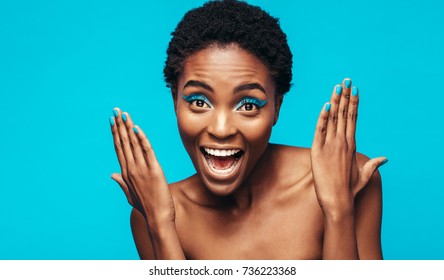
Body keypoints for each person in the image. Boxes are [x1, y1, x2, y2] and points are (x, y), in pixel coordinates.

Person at [109, 0, 387, 260]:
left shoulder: (347, 178)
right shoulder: (155, 210)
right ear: (174, 101)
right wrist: (159, 223)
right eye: (198, 101)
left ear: (276, 107)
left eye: (248, 105)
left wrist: (338, 210)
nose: (221, 129)